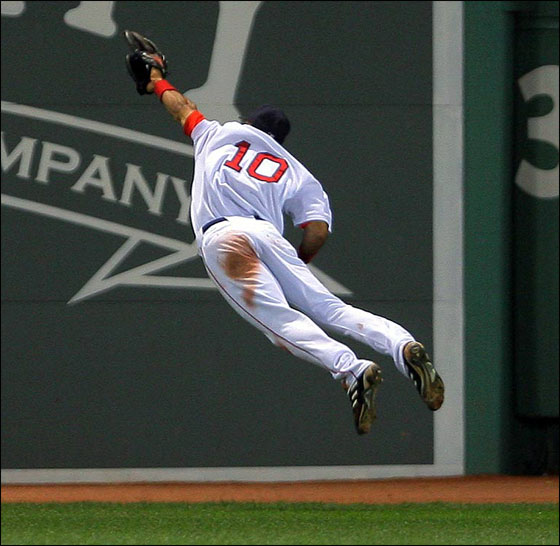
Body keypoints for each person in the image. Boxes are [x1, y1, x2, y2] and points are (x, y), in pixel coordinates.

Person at [124, 32, 444, 435]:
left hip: (225, 237)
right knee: (333, 311)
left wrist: (155, 79)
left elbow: (181, 107)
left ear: (251, 126)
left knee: (280, 326)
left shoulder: (220, 134)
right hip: (270, 236)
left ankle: (352, 370)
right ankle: (403, 346)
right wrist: (297, 262)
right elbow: (316, 232)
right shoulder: (295, 170)